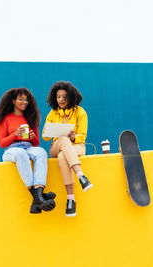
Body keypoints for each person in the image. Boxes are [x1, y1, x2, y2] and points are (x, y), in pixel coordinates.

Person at [0, 87, 56, 214]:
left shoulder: (30, 117)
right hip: (11, 149)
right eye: (21, 99)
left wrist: (33, 137)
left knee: (41, 152)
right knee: (20, 153)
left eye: (26, 100)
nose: (24, 102)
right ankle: (38, 197)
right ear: (13, 101)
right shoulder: (4, 118)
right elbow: (1, 143)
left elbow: (37, 142)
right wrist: (15, 134)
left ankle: (37, 196)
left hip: (29, 147)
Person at [42, 81, 93, 217]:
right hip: (56, 147)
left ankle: (71, 199)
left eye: (65, 96)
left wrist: (74, 137)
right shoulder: (52, 113)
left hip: (76, 147)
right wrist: (48, 131)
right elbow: (45, 137)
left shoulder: (80, 112)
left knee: (63, 157)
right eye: (58, 97)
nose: (61, 100)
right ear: (55, 97)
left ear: (71, 97)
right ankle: (81, 175)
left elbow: (83, 135)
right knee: (63, 140)